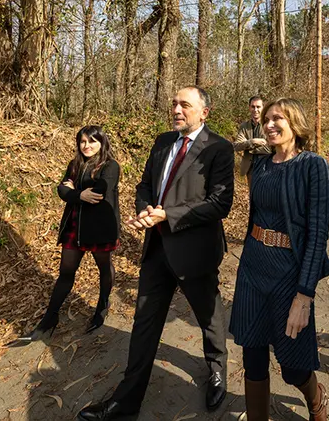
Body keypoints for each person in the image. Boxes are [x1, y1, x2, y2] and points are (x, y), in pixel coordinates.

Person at [79, 86, 234, 421]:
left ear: (204, 113)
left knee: (209, 316)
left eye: (185, 105)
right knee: (144, 326)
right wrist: (145, 209)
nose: (177, 109)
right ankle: (126, 402)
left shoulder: (219, 148)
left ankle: (217, 369)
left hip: (195, 252)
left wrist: (169, 215)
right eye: (174, 103)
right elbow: (145, 186)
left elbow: (220, 203)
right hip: (156, 250)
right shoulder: (163, 141)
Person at [229, 98, 329, 421]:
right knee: (253, 355)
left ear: (295, 125)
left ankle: (316, 399)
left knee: (292, 365)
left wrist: (305, 295)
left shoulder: (312, 166)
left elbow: (318, 234)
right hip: (253, 267)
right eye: (267, 119)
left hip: (290, 275)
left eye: (279, 118)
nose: (270, 124)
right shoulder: (261, 164)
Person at [9, 125, 121, 346]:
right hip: (75, 226)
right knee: (65, 273)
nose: (87, 146)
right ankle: (49, 318)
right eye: (83, 142)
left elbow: (98, 193)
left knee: (104, 267)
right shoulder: (75, 165)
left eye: (92, 141)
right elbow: (61, 190)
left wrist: (73, 192)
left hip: (100, 228)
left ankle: (102, 305)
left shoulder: (110, 166)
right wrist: (78, 193)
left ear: (102, 143)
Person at [234, 95, 273, 182]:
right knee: (253, 194)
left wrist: (247, 145)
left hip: (267, 167)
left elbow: (270, 148)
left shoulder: (269, 125)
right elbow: (237, 146)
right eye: (253, 107)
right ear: (249, 108)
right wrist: (253, 141)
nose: (255, 110)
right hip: (250, 168)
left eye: (258, 107)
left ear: (263, 107)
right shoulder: (244, 126)